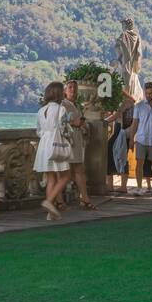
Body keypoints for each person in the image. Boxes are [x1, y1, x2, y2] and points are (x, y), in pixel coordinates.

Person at [33, 82, 74, 220]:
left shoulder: (40, 111)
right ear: (58, 93)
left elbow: (38, 131)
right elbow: (64, 129)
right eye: (63, 91)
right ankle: (49, 201)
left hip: (43, 144)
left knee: (51, 178)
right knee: (66, 176)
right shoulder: (60, 109)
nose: (64, 93)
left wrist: (46, 135)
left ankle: (50, 213)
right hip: (56, 143)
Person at [62, 80, 94, 210]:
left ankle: (83, 198)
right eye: (70, 87)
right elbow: (76, 123)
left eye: (74, 88)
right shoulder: (63, 105)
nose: (73, 90)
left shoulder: (75, 105)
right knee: (70, 171)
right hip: (68, 141)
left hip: (76, 140)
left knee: (77, 170)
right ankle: (81, 199)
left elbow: (79, 123)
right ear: (65, 91)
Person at [107, 94, 134, 195]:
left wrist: (105, 121)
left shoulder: (126, 102)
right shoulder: (130, 103)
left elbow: (117, 115)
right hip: (124, 133)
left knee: (116, 156)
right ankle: (115, 185)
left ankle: (120, 186)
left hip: (121, 132)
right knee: (120, 157)